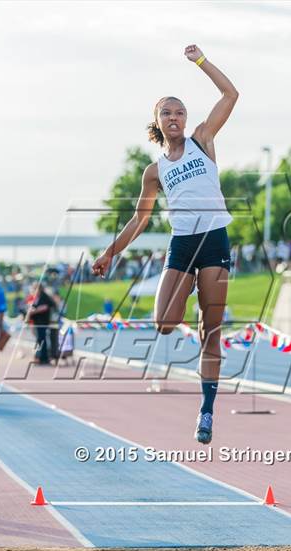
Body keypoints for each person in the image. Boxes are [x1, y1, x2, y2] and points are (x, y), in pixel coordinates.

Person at [93, 45, 238, 444]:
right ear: (157, 122)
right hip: (181, 245)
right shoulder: (154, 172)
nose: (174, 117)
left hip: (213, 241)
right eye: (166, 113)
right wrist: (110, 252)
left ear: (186, 119)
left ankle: (206, 411)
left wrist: (201, 62)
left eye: (179, 112)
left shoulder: (203, 141)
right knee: (164, 323)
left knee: (212, 331)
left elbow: (231, 96)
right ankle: (188, 296)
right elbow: (140, 218)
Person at [27, 283, 55, 365]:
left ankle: (43, 358)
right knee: (40, 340)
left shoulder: (44, 296)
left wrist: (34, 311)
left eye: (35, 289)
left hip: (43, 321)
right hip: (37, 321)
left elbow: (46, 307)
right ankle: (40, 357)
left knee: (42, 340)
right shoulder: (37, 297)